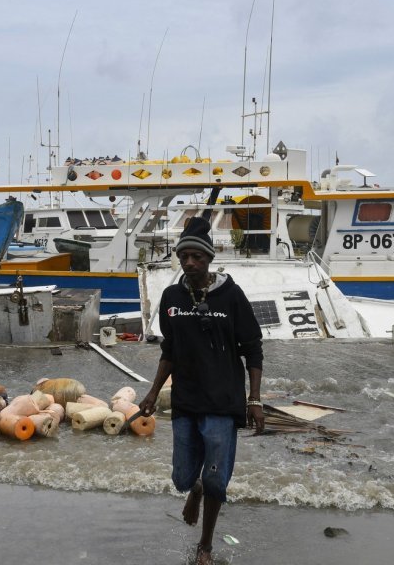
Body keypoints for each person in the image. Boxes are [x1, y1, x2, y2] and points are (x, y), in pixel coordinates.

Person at [138, 216, 264, 565]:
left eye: (197, 257)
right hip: (186, 400)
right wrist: (151, 393)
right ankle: (193, 490)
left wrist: (254, 400)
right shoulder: (171, 297)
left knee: (216, 480)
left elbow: (253, 348)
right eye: (184, 258)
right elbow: (170, 351)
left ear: (209, 259)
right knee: (181, 478)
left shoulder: (231, 296)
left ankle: (205, 545)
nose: (190, 263)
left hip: (223, 402)